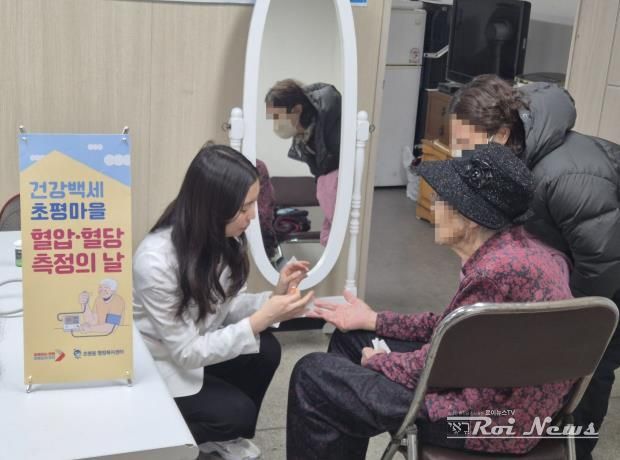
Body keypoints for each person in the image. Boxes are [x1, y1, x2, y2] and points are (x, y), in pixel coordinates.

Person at [286, 144, 574, 459]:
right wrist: (375, 321)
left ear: (471, 217)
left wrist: (379, 362)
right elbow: (452, 329)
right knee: (351, 338)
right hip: (508, 405)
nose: (434, 207)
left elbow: (438, 369)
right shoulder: (524, 252)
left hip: (483, 421)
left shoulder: (494, 273)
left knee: (312, 375)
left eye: (441, 199)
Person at [448, 74, 620, 460]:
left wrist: (564, 324)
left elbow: (602, 263)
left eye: (466, 143)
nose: (461, 154)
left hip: (610, 278)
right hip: (581, 261)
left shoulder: (566, 175)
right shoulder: (516, 158)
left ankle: (575, 450)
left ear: (502, 134)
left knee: (590, 365)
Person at [133, 143, 313, 460]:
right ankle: (158, 442)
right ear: (212, 207)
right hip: (162, 365)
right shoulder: (155, 261)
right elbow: (186, 353)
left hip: (193, 346)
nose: (252, 216)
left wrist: (275, 297)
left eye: (253, 204)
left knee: (266, 350)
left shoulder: (223, 238)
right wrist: (260, 319)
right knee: (237, 414)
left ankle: (220, 432)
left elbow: (227, 307)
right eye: (244, 208)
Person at [265, 79, 341, 246]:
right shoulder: (305, 137)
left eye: (277, 117)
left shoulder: (330, 124)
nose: (276, 124)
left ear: (297, 110)